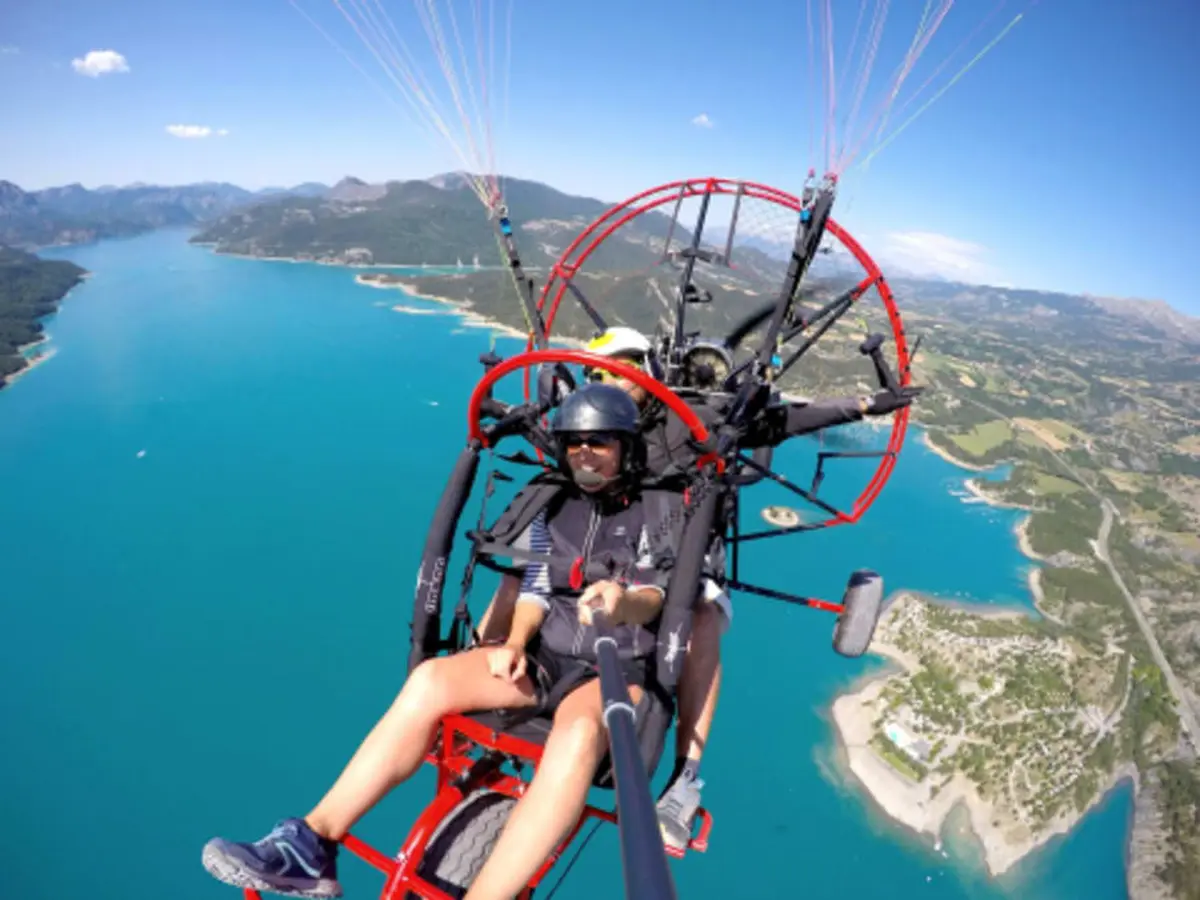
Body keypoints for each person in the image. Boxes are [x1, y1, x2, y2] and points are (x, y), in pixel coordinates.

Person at [201, 383, 686, 900]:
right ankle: (312, 843)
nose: (583, 454)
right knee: (432, 679)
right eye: (574, 443)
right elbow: (536, 588)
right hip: (547, 656)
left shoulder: (658, 510)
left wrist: (620, 603)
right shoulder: (553, 503)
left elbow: (656, 597)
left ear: (625, 447)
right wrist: (515, 642)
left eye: (598, 442)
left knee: (579, 733)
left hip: (619, 665)